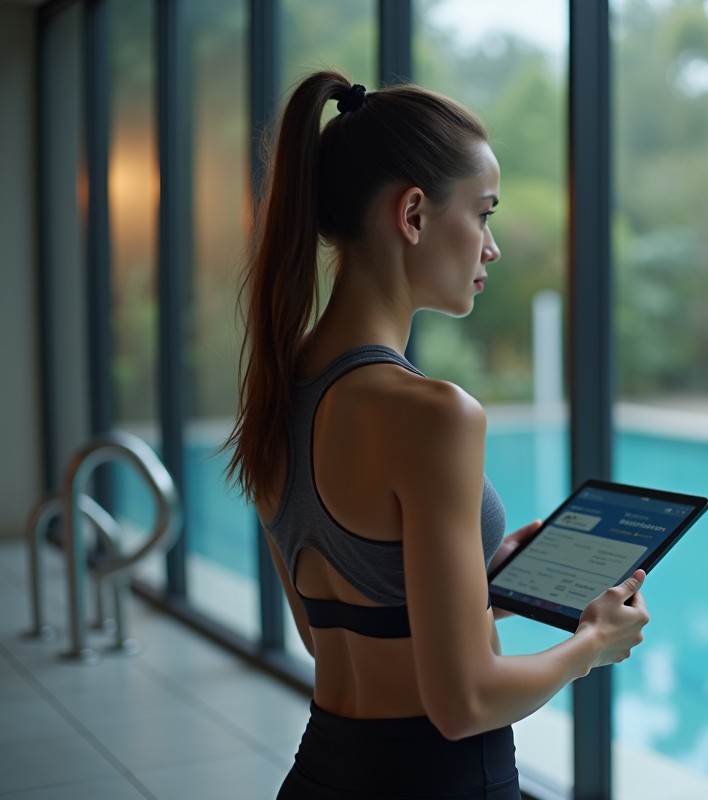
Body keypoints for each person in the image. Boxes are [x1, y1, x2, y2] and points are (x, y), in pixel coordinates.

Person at [223, 71, 651, 800]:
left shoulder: (278, 386)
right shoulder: (433, 414)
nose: (491, 248)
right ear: (413, 214)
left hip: (320, 775)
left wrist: (481, 589)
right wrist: (592, 645)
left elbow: (332, 630)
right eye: (483, 213)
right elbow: (465, 705)